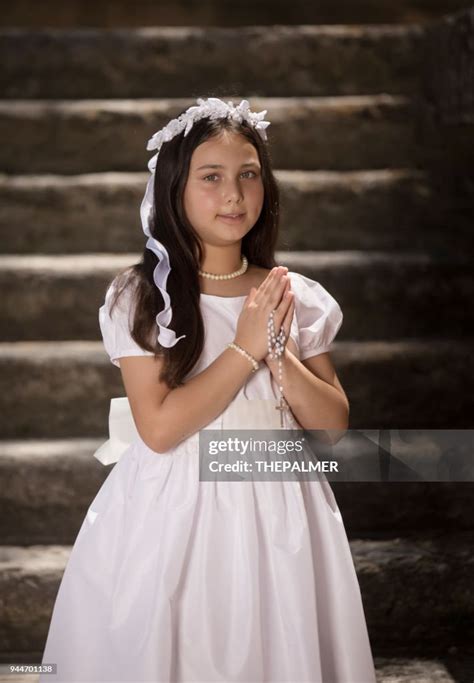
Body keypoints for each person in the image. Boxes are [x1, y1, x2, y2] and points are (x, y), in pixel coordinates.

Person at [39, 97, 376, 682]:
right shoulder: (142, 297)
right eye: (211, 177)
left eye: (249, 175)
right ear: (174, 189)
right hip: (173, 507)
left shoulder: (296, 294)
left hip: (280, 504)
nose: (234, 195)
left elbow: (332, 425)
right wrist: (243, 347)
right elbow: (162, 428)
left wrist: (277, 348)